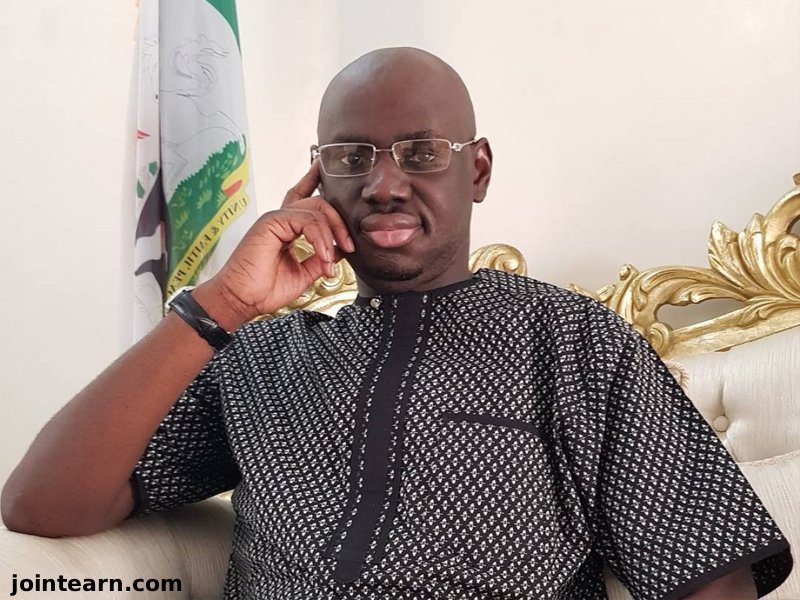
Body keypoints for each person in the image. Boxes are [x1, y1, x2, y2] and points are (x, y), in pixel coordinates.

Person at [1, 47, 792, 600]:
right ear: (316, 180)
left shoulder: (574, 342)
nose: (383, 183)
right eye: (351, 157)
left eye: (420, 152)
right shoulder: (260, 358)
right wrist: (222, 305)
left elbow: (709, 576)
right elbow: (41, 506)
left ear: (476, 169)